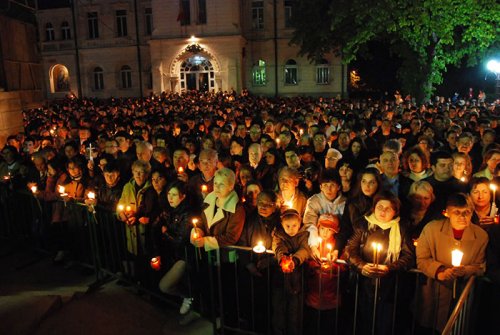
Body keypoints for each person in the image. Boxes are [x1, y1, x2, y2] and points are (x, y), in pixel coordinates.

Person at [416, 193, 488, 333]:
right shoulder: (431, 230)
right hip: (433, 293)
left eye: (466, 212)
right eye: (457, 212)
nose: (462, 217)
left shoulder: (480, 236)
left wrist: (465, 271)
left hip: (461, 296)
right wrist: (440, 272)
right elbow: (422, 259)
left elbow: (480, 266)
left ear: (472, 212)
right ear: (447, 213)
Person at [346, 191, 414, 335]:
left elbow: (408, 256)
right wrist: (362, 266)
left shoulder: (402, 228)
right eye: (379, 207)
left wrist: (389, 268)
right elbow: (350, 250)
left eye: (388, 208)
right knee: (364, 321)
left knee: (385, 323)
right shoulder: (364, 224)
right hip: (364, 283)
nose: (382, 211)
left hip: (390, 285)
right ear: (374, 208)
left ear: (395, 212)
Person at [153, 181, 197, 325]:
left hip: (184, 257)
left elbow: (181, 239)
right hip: (171, 254)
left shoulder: (187, 213)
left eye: (174, 195)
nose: (170, 198)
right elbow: (155, 225)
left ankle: (188, 296)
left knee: (165, 285)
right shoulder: (168, 210)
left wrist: (166, 233)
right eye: (169, 194)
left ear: (182, 196)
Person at [272, 208, 310, 335]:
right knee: (279, 310)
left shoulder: (304, 235)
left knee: (295, 312)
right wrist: (283, 258)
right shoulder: (278, 234)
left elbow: (305, 249)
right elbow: (278, 247)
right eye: (287, 226)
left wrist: (295, 260)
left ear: (299, 224)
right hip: (280, 279)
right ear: (282, 224)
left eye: (294, 225)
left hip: (297, 279)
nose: (291, 229)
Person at [304, 213, 344, 335]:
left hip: (331, 298)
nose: (325, 232)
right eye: (322, 229)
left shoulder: (338, 247)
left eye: (329, 230)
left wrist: (334, 267)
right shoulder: (313, 245)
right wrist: (314, 266)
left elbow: (343, 267)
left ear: (335, 231)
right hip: (313, 297)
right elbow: (306, 264)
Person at [117, 160, 152, 280]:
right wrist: (121, 214)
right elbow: (121, 203)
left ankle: (145, 283)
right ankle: (136, 281)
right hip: (131, 230)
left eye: (141, 172)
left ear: (147, 174)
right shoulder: (128, 187)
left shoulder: (150, 188)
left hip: (145, 230)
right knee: (134, 256)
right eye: (136, 172)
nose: (138, 175)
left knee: (146, 258)